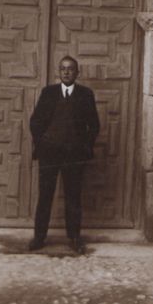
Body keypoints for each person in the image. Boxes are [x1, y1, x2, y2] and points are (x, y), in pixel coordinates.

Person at [28, 56, 100, 254]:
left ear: (78, 73)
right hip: (49, 154)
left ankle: (75, 238)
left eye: (70, 69)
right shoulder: (48, 93)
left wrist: (84, 147)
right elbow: (35, 121)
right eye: (63, 69)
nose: (66, 72)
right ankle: (39, 237)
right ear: (58, 72)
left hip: (74, 155)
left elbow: (94, 126)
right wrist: (42, 143)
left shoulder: (85, 94)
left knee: (73, 197)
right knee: (45, 196)